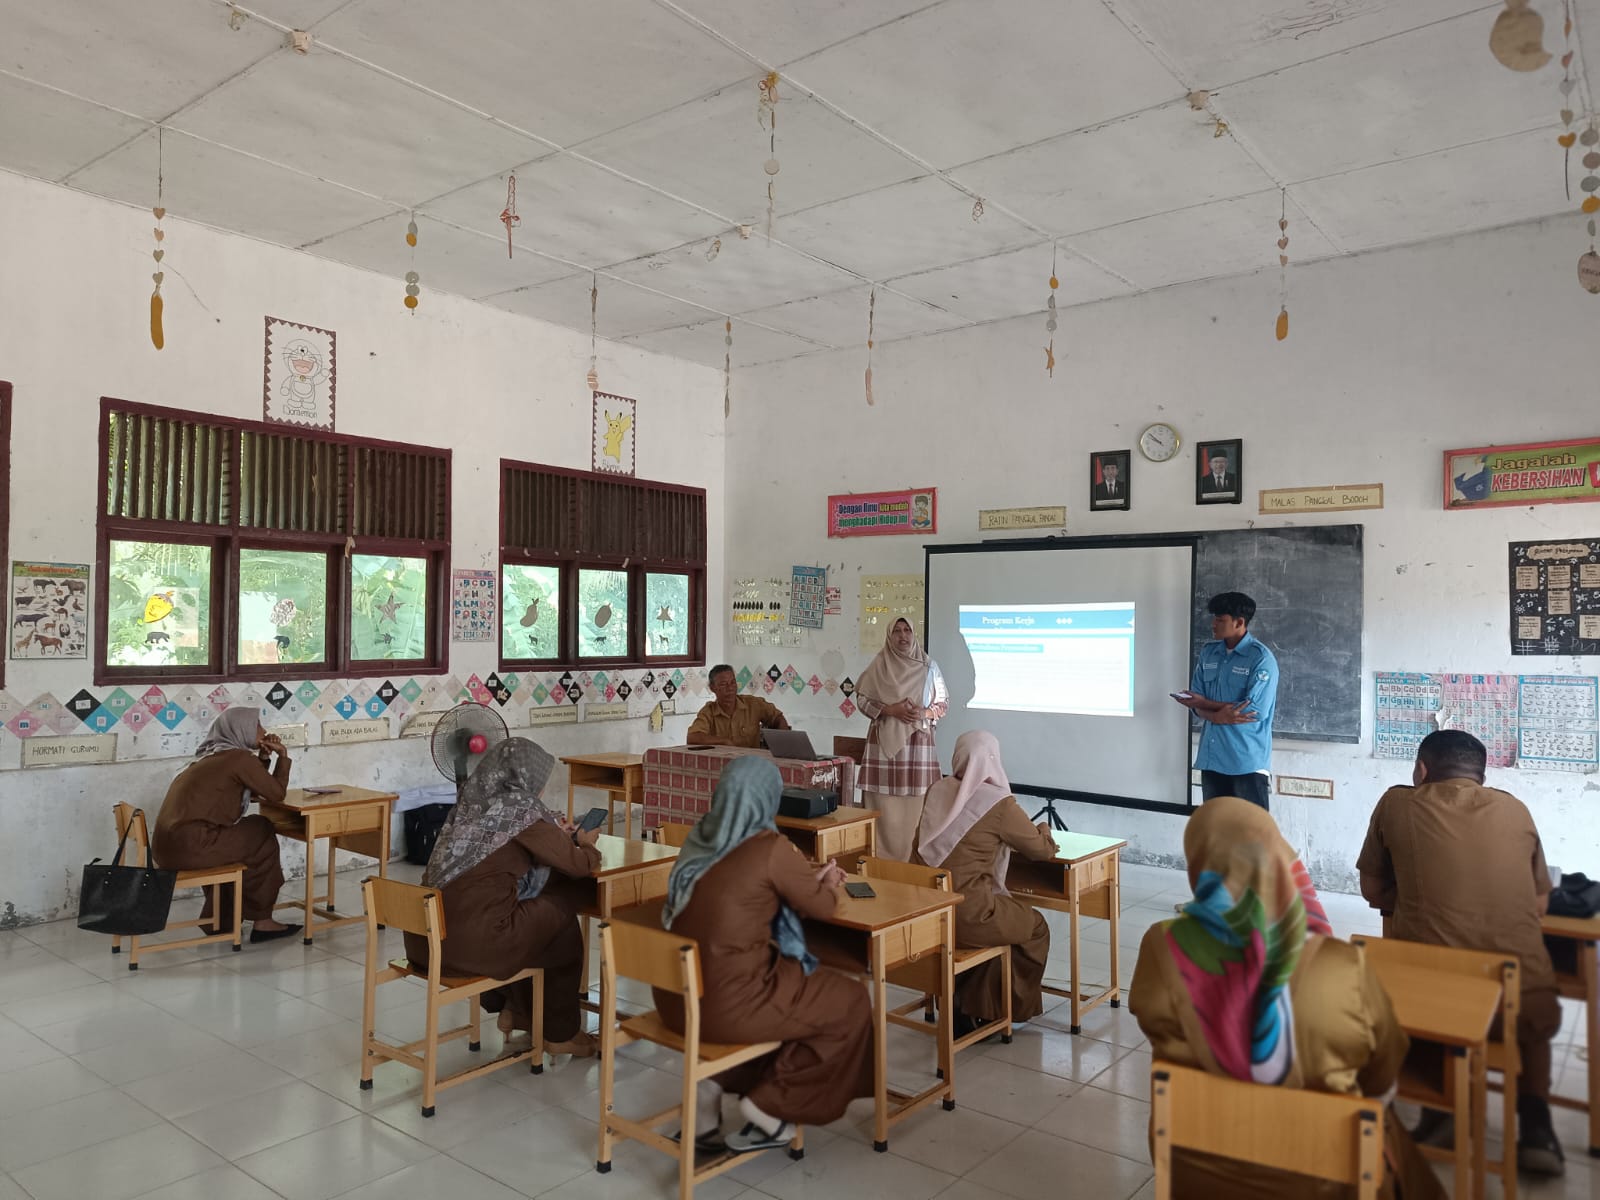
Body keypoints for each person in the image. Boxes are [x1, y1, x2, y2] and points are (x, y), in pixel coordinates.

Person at [1131, 796, 1443, 1200]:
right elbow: (1383, 1072)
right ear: (1278, 860)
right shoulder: (1342, 967)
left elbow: (1151, 1016)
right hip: (1329, 1182)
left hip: (1197, 1173)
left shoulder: (1161, 948)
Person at [1356, 729, 1564, 1175]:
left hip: (1442, 1006)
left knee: (1417, 977)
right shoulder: (1516, 807)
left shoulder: (1397, 803)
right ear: (1481, 775)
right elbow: (1540, 902)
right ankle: (1537, 1125)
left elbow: (1372, 889)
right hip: (1521, 1006)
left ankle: (1442, 1112)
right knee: (1527, 993)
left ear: (1422, 769)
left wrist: (1415, 898)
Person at [656, 756, 873, 1153]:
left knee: (799, 993)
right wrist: (830, 887)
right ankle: (769, 1108)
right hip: (727, 1007)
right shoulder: (770, 847)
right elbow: (822, 909)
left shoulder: (701, 835)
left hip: (676, 1000)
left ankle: (710, 1091)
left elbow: (752, 892)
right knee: (850, 1001)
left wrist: (809, 882)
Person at [408, 737, 600, 1057]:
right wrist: (586, 843)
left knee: (530, 916)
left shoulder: (472, 801)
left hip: (426, 942)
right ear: (525, 776)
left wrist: (552, 834)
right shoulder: (519, 808)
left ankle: (514, 1008)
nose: (539, 791)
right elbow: (577, 866)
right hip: (468, 945)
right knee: (560, 918)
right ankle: (559, 1033)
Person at [914, 731, 1057, 1033]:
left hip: (929, 913)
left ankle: (966, 1005)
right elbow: (1040, 850)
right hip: (970, 916)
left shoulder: (937, 791)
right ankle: (999, 1011)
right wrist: (1044, 827)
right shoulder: (999, 804)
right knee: (1034, 927)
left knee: (1003, 919)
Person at [153, 707, 300, 943]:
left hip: (168, 849)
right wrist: (282, 756)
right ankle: (263, 921)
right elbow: (275, 793)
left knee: (243, 836)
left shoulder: (211, 756)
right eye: (257, 725)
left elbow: (249, 789)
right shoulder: (238, 759)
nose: (264, 730)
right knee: (261, 830)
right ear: (240, 729)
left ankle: (220, 922)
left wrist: (263, 759)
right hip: (193, 847)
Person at [1174, 592, 1278, 810]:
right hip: (1212, 760)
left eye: (1220, 620)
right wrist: (1214, 714)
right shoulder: (1209, 653)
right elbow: (1196, 702)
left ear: (1239, 622)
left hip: (1246, 763)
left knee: (1251, 837)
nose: (1213, 624)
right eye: (1214, 618)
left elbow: (1254, 709)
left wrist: (1208, 706)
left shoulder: (1260, 658)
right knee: (1217, 833)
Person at [857, 617, 948, 860]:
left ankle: (913, 867)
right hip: (883, 752)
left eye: (907, 630)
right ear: (890, 636)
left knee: (916, 812)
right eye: (896, 631)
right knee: (883, 812)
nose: (903, 636)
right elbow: (862, 700)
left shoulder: (929, 667)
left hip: (918, 750)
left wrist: (924, 713)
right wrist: (890, 710)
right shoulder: (879, 664)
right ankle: (880, 866)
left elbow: (942, 704)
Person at [687, 663, 790, 748]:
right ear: (712, 688)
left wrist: (782, 743)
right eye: (723, 684)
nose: (730, 688)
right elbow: (692, 738)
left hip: (754, 764)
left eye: (733, 682)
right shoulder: (708, 711)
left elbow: (777, 717)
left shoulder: (753, 704)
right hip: (724, 765)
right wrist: (724, 742)